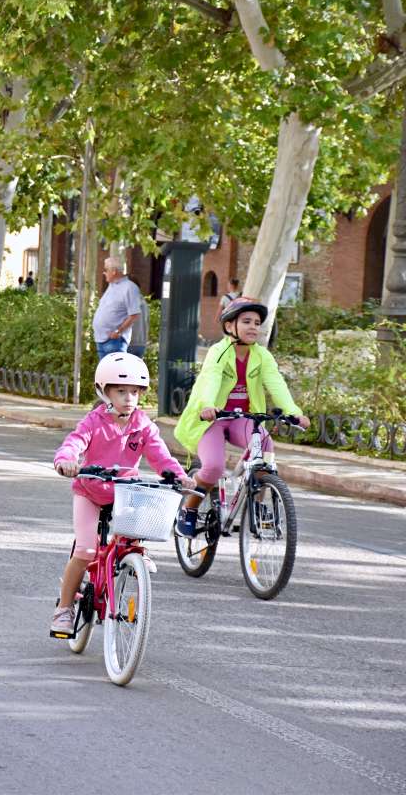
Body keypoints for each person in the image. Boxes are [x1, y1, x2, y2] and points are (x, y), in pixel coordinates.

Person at [50, 354, 193, 635]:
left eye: (135, 392)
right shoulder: (93, 422)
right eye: (121, 391)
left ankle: (132, 560)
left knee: (136, 530)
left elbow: (161, 457)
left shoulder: (144, 426)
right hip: (89, 491)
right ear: (105, 392)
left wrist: (179, 475)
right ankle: (63, 609)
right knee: (86, 549)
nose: (129, 398)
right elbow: (74, 442)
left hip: (125, 493)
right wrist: (66, 460)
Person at [172, 297, 310, 537]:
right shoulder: (218, 351)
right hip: (212, 419)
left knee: (264, 445)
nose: (253, 327)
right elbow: (211, 380)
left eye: (257, 322)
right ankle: (189, 509)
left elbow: (276, 383)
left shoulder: (262, 356)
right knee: (214, 468)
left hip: (243, 417)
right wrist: (207, 405)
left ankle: (256, 505)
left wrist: (293, 411)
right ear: (229, 326)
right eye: (246, 321)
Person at [92, 257, 142, 359]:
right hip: (101, 340)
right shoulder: (111, 286)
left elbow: (134, 314)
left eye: (106, 270)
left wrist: (118, 331)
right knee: (105, 374)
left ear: (114, 272)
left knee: (115, 374)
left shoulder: (130, 287)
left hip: (115, 341)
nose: (104, 273)